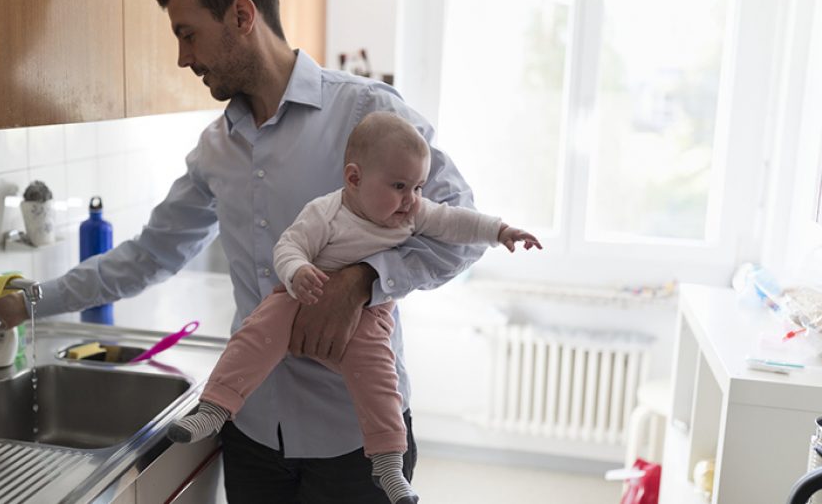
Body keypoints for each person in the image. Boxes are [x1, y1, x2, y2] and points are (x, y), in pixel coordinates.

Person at [0, 0, 489, 501]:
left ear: (241, 15)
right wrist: (25, 303)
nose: (183, 58)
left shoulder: (365, 112)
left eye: (189, 35)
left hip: (355, 443)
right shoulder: (216, 149)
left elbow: (459, 230)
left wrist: (365, 279)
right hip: (253, 436)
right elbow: (148, 255)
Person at [168, 111, 542, 504]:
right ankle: (215, 408)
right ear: (354, 179)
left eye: (417, 187)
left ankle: (387, 461)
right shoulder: (326, 211)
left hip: (369, 318)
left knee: (380, 382)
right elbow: (289, 246)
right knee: (256, 334)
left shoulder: (412, 213)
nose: (412, 200)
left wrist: (499, 230)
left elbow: (454, 222)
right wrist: (298, 271)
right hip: (303, 294)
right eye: (399, 186)